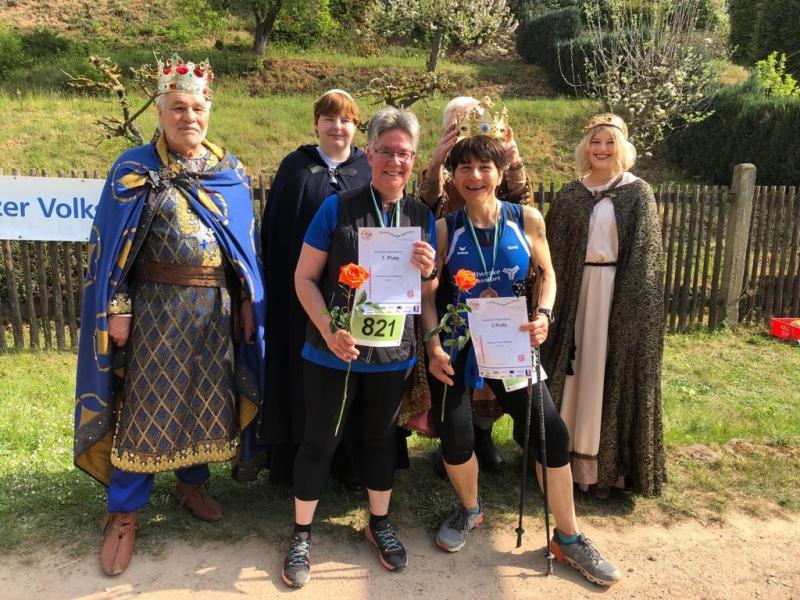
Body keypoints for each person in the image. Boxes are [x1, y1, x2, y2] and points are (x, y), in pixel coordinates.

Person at [74, 53, 266, 577]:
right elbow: (112, 249)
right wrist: (117, 308)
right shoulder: (133, 169)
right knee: (146, 406)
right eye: (177, 107)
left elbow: (243, 249)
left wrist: (246, 302)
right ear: (159, 111)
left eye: (197, 108)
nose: (188, 117)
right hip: (155, 312)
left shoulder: (228, 172)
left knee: (206, 398)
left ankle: (191, 485)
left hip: (214, 314)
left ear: (209, 112)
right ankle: (124, 512)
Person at [423, 134, 621, 586]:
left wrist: (544, 314)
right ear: (454, 176)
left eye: (484, 167)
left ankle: (568, 538)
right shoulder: (445, 228)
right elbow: (428, 296)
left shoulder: (525, 218)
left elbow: (547, 274)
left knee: (550, 434)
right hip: (457, 343)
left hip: (509, 340)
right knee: (456, 438)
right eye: (465, 168)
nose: (475, 176)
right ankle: (470, 510)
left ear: (499, 173)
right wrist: (433, 346)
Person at [283, 107, 437, 588]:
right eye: (386, 151)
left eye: (404, 153)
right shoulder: (337, 208)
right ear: (369, 154)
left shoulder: (422, 216)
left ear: (414, 160)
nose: (395, 161)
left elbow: (426, 294)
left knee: (379, 440)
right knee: (319, 442)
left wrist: (429, 270)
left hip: (391, 355)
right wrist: (329, 329)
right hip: (332, 351)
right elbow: (303, 279)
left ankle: (379, 524)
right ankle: (301, 533)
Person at [541, 113, 666, 498]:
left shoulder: (637, 192)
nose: (602, 149)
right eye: (595, 141)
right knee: (574, 373)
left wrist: (630, 311)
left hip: (616, 295)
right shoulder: (571, 194)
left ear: (622, 147)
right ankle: (562, 462)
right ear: (586, 146)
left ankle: (604, 469)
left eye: (609, 142)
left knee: (604, 373)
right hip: (574, 295)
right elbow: (550, 250)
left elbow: (646, 256)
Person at [259, 89, 373, 487]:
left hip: (358, 296)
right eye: (329, 118)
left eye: (346, 119)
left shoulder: (368, 169)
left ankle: (352, 465)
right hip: (301, 297)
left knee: (356, 371)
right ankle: (297, 463)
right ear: (316, 124)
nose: (337, 126)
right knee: (302, 375)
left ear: (356, 126)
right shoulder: (295, 168)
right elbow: (276, 233)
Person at [418, 96, 533, 472]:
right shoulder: (444, 172)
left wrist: (513, 159)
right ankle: (454, 442)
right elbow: (422, 207)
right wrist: (437, 161)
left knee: (494, 370)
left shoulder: (491, 169)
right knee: (453, 365)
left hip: (495, 277)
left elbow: (521, 199)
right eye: (455, 124)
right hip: (452, 276)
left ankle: (483, 433)